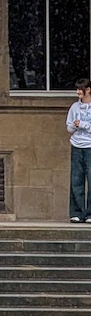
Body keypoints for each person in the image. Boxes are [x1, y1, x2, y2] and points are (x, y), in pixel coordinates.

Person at [67, 78, 91, 222]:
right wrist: (75, 126)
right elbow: (69, 127)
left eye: (80, 89)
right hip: (77, 146)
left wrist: (83, 124)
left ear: (88, 90)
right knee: (76, 179)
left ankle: (89, 213)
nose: (77, 92)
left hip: (90, 146)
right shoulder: (74, 107)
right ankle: (77, 212)